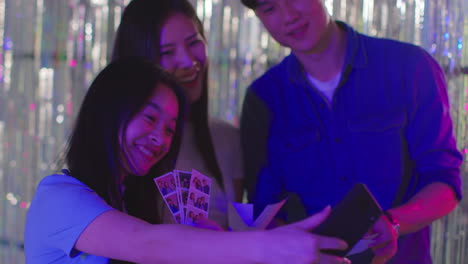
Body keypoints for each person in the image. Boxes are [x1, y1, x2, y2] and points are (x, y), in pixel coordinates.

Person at [24, 57, 351, 264]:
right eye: (150, 119)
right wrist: (265, 247)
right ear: (108, 112)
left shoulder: (129, 202)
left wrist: (221, 242)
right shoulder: (58, 196)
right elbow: (144, 245)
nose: (161, 138)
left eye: (169, 129)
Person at [239, 0, 463, 263]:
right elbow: (264, 212)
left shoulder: (410, 67)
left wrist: (394, 223)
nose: (288, 16)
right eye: (269, 9)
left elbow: (445, 181)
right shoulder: (263, 98)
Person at [112, 0, 243, 229]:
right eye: (167, 52)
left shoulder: (227, 140)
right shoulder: (122, 143)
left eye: (194, 43)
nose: (188, 62)